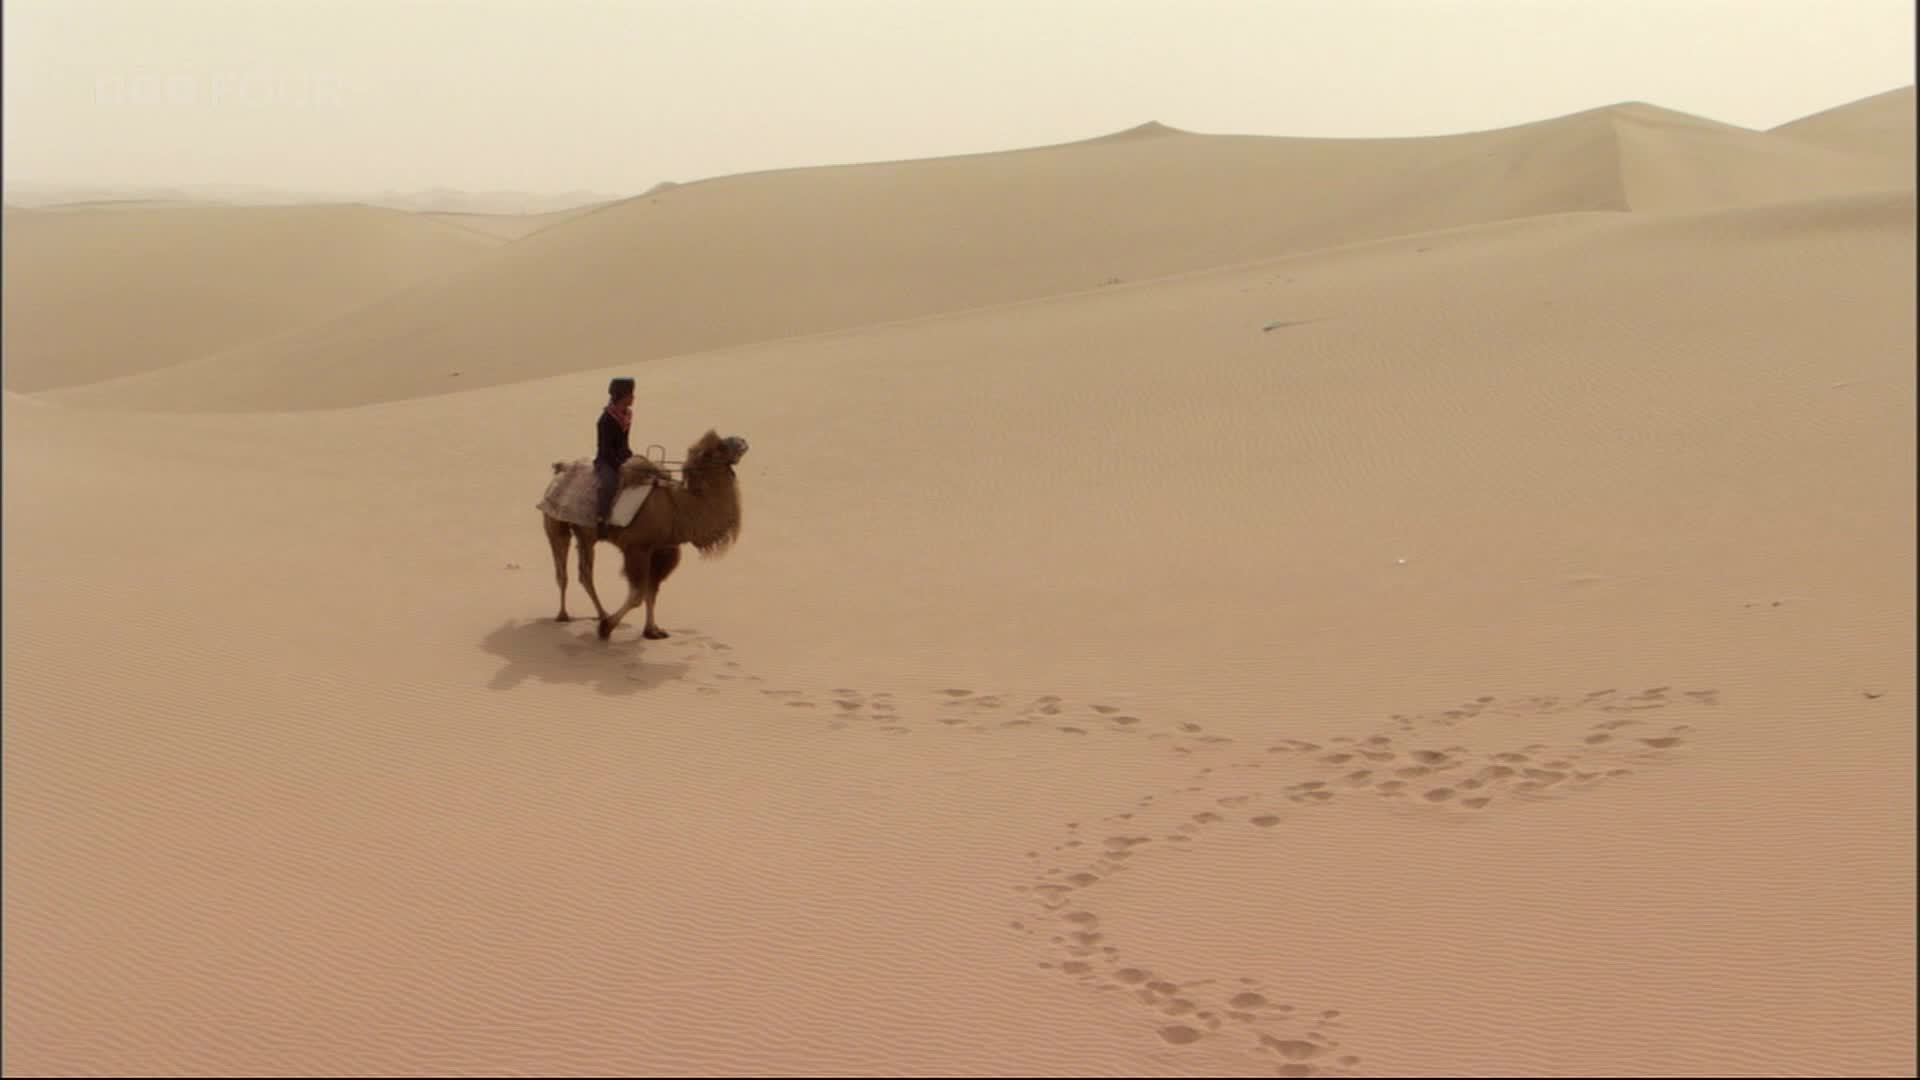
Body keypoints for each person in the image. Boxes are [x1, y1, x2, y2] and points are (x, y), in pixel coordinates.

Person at [594, 377, 636, 532]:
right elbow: (605, 450)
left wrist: (631, 458)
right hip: (606, 461)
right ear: (622, 396)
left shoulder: (627, 415)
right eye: (630, 394)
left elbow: (624, 443)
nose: (633, 397)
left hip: (622, 458)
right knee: (609, 484)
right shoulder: (605, 420)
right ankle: (601, 520)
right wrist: (620, 466)